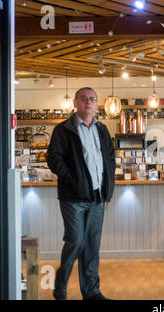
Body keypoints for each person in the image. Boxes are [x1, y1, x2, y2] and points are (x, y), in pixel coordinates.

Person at [47, 87, 116, 300]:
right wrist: (73, 180)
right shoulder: (63, 129)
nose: (88, 102)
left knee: (92, 246)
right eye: (84, 98)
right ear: (76, 103)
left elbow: (110, 159)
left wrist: (107, 184)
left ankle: (92, 292)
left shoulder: (102, 130)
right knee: (76, 240)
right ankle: (60, 287)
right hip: (73, 198)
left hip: (97, 197)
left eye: (92, 99)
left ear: (97, 104)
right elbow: (54, 159)